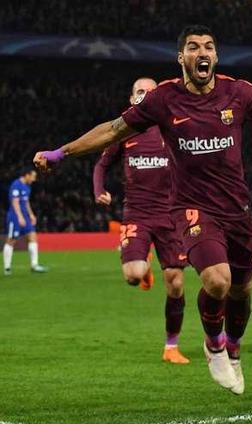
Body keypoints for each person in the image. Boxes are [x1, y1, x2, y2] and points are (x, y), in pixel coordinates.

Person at [34, 25, 252, 395]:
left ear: (216, 56)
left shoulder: (238, 92)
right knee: (217, 280)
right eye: (193, 47)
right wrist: (62, 152)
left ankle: (234, 346)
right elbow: (112, 131)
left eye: (209, 46)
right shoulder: (163, 99)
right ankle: (213, 345)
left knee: (241, 291)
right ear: (182, 58)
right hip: (191, 209)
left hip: (237, 210)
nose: (202, 52)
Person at [92, 77, 190, 364]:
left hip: (171, 215)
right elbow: (101, 164)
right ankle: (144, 265)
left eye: (150, 91)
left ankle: (171, 347)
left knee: (175, 282)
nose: (145, 94)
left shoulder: (172, 127)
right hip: (137, 213)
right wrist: (100, 190)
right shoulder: (124, 130)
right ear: (132, 96)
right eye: (140, 91)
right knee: (134, 275)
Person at [4, 169, 48, 275]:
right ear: (26, 175)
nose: (34, 179)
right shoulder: (16, 185)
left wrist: (31, 215)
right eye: (33, 176)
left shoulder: (27, 186)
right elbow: (15, 202)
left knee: (32, 237)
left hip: (25, 217)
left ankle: (34, 265)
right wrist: (20, 217)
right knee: (11, 240)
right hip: (15, 217)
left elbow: (26, 201)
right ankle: (7, 268)